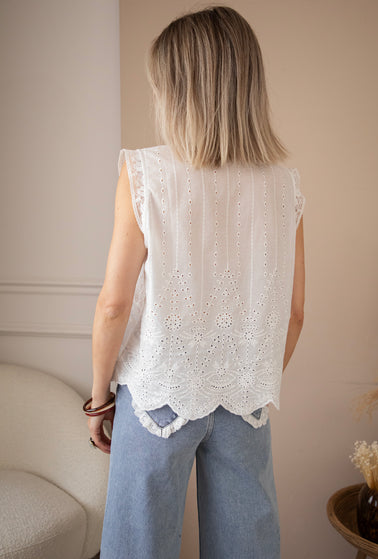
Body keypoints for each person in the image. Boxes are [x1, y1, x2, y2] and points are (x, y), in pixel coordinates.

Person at [86, 5, 305, 559]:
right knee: (247, 547)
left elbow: (113, 305)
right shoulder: (284, 187)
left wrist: (98, 399)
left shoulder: (145, 173)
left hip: (156, 395)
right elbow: (294, 314)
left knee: (138, 548)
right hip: (244, 402)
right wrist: (245, 377)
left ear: (177, 91)